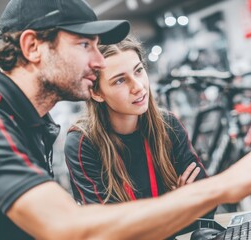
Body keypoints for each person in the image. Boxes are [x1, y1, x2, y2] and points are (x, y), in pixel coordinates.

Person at [0, 0, 251, 239]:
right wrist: (224, 184)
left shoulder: (29, 123)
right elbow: (67, 228)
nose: (99, 61)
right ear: (32, 47)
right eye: (85, 45)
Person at [64, 36, 208, 205]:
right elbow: (111, 225)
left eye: (138, 71)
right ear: (97, 93)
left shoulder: (167, 124)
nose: (138, 86)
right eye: (120, 80)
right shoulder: (83, 144)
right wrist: (175, 204)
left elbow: (204, 201)